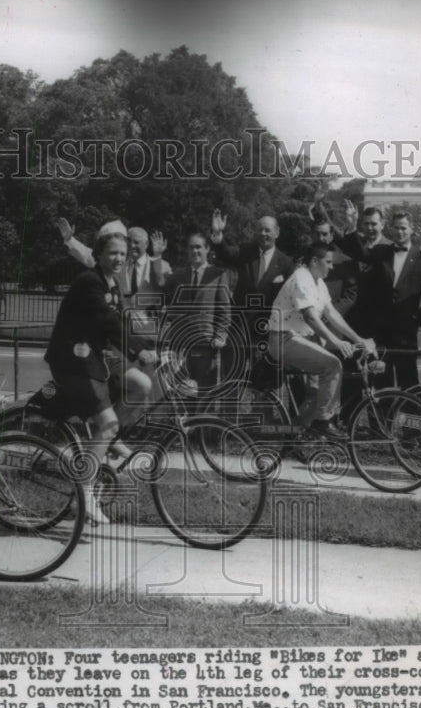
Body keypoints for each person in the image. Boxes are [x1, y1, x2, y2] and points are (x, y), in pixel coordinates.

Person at [45, 231, 158, 525]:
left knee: (141, 385)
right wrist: (138, 351)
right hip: (73, 360)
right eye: (113, 253)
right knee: (107, 424)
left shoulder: (111, 282)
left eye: (122, 253)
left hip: (94, 357)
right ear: (99, 254)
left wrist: (149, 346)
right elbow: (108, 321)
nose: (119, 258)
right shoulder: (90, 282)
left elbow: (118, 322)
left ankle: (108, 439)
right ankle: (84, 492)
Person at [267, 242, 377, 440]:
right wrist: (337, 341)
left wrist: (358, 339)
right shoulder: (301, 277)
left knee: (316, 394)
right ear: (315, 261)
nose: (332, 267)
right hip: (283, 339)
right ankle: (324, 422)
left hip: (299, 338)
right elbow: (310, 317)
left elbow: (332, 313)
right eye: (328, 262)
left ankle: (295, 437)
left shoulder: (318, 281)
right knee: (333, 365)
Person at [344, 212, 421, 389]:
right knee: (381, 381)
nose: (399, 232)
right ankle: (384, 417)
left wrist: (416, 320)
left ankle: (412, 416)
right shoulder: (381, 252)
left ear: (411, 229)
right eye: (396, 228)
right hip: (380, 332)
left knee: (409, 382)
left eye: (403, 228)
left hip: (406, 333)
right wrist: (352, 227)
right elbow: (359, 253)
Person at [150, 232, 231, 394]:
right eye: (191, 247)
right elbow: (159, 283)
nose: (195, 251)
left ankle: (202, 420)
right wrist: (157, 256)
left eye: (198, 247)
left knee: (204, 389)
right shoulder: (179, 274)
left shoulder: (218, 275)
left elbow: (224, 309)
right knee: (181, 389)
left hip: (205, 342)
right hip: (179, 342)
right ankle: (184, 420)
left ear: (207, 249)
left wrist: (220, 335)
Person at [209, 209, 294, 310]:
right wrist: (217, 233)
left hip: (268, 322)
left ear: (277, 232)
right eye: (260, 229)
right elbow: (225, 254)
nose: (262, 233)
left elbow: (288, 296)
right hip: (240, 320)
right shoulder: (245, 251)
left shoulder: (286, 263)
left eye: (267, 230)